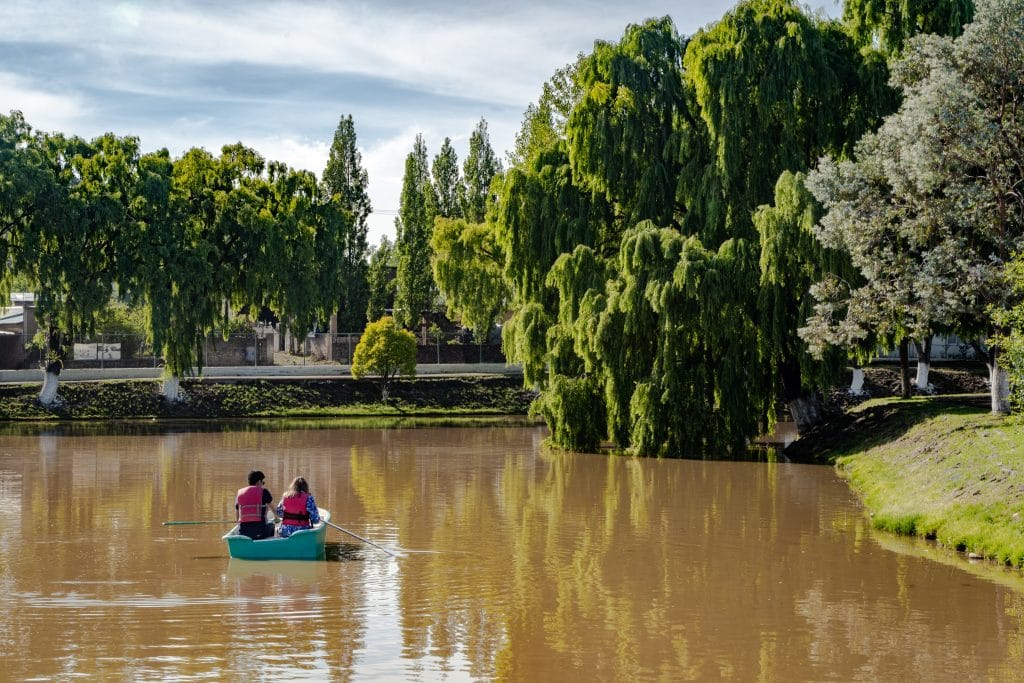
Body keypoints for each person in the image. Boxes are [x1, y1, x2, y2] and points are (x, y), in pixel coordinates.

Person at [235, 470, 275, 540]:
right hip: (260, 532)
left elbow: (237, 515)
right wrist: (276, 518)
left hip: (243, 533)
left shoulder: (240, 493)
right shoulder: (264, 491)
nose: (263, 484)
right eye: (263, 482)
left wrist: (238, 524)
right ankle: (267, 543)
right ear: (259, 481)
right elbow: (273, 509)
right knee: (272, 525)